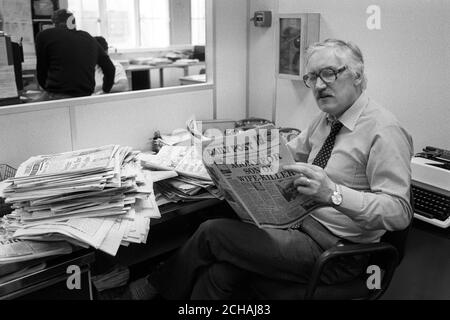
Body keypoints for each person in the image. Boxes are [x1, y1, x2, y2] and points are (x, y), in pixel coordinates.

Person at [127, 39, 414, 300]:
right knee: (218, 275)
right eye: (312, 77)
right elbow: (288, 155)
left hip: (337, 250)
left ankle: (155, 289)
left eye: (328, 73)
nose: (318, 86)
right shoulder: (326, 119)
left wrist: (333, 193)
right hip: (299, 226)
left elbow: (399, 211)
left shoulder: (384, 131)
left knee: (211, 233)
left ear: (358, 75)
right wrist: (237, 165)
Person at [35, 9, 115, 100]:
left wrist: (48, 89)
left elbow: (41, 70)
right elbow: (110, 68)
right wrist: (105, 90)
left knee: (30, 109)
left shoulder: (45, 35)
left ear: (54, 24)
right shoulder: (89, 38)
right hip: (85, 95)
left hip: (57, 94)